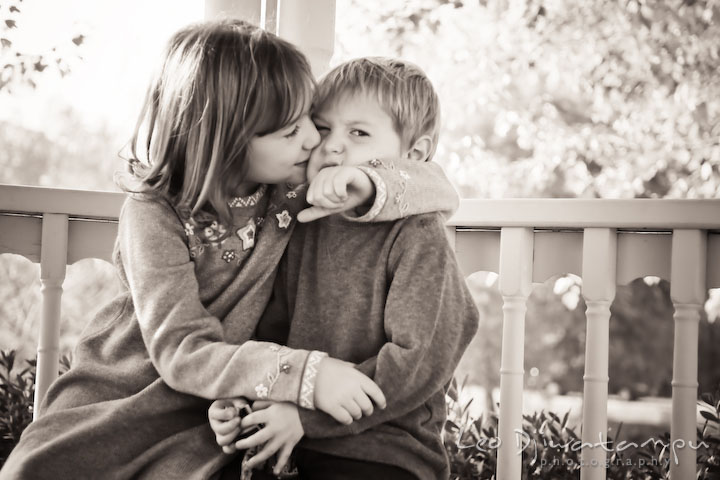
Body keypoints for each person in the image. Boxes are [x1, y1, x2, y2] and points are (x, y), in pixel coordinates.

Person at [0, 22, 458, 480]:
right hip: (130, 394)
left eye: (309, 121)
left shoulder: (290, 194)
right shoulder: (153, 214)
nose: (314, 140)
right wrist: (306, 375)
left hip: (221, 406)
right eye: (293, 129)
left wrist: (370, 181)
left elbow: (434, 187)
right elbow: (181, 346)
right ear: (232, 140)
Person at [210, 57, 480, 480]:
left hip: (384, 451)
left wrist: (308, 417)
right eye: (322, 128)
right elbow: (270, 331)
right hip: (291, 438)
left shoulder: (418, 233)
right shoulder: (299, 222)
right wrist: (240, 398)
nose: (332, 146)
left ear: (415, 154)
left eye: (358, 133)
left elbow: (421, 360)